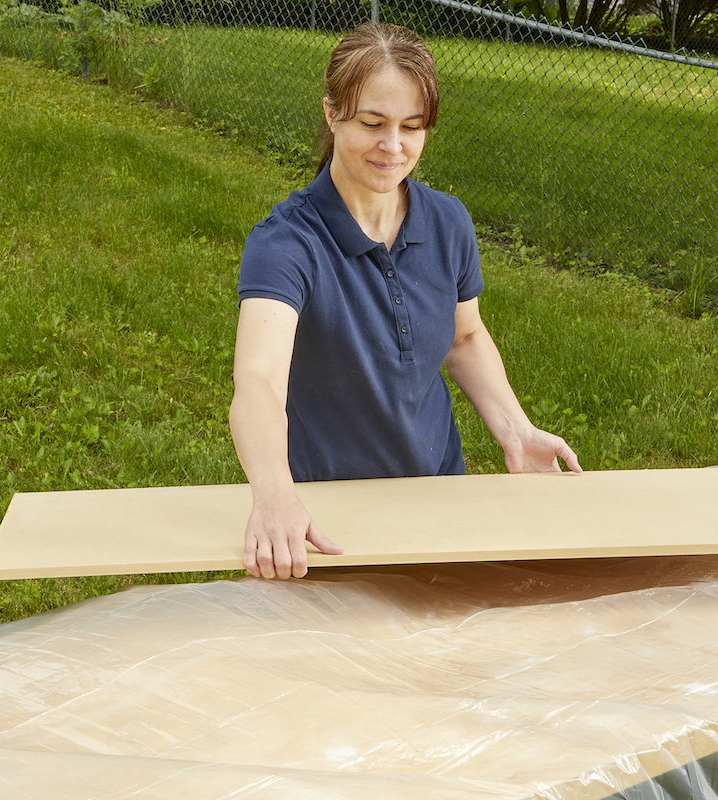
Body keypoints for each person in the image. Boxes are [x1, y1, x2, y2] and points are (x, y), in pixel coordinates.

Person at [229, 22, 580, 580]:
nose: (393, 147)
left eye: (411, 127)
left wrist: (516, 430)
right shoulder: (286, 243)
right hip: (328, 525)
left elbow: (464, 336)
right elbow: (259, 379)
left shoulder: (448, 222)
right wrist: (273, 494)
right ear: (332, 113)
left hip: (439, 501)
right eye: (372, 124)